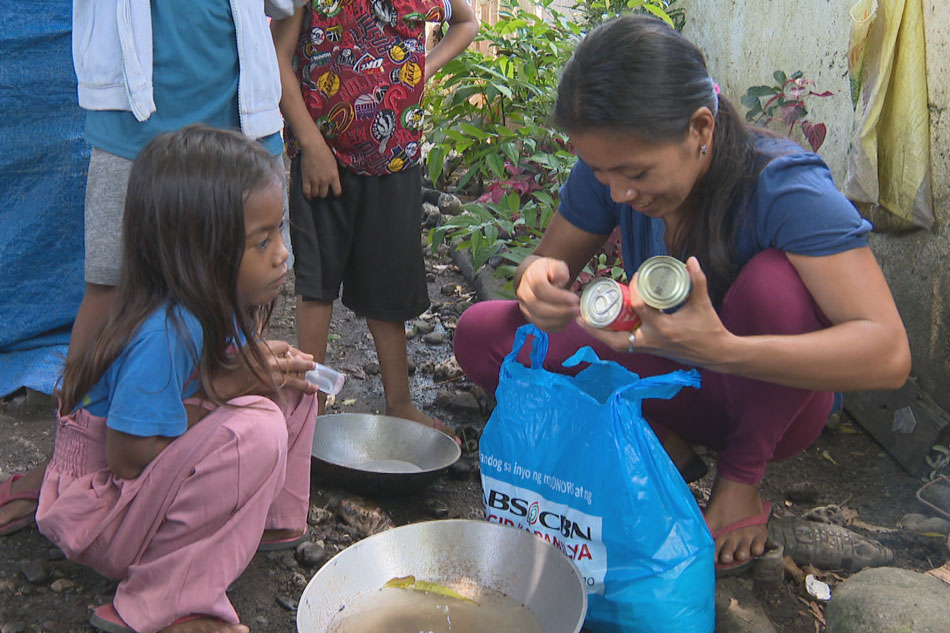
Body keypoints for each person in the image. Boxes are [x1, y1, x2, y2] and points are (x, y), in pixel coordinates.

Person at [454, 15, 911, 575]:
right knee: (484, 334)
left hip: (769, 404)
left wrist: (719, 350)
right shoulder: (613, 172)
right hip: (670, 375)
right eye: (601, 173)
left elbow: (889, 354)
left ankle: (740, 480)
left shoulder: (785, 186)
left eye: (635, 172)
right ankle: (658, 437)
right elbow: (552, 261)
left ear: (700, 129)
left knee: (776, 284)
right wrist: (537, 280)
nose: (620, 192)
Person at [0, 0, 301, 538]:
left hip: (240, 102)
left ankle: (242, 492)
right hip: (135, 111)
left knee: (244, 290)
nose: (284, 247)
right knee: (109, 287)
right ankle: (73, 473)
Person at [35, 125, 319, 633]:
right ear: (202, 251)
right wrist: (229, 388)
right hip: (103, 509)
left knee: (293, 380)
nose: (283, 253)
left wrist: (247, 373)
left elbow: (211, 382)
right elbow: (126, 457)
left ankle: (262, 524)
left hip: (144, 489)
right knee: (256, 428)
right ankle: (162, 601)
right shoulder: (164, 332)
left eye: (280, 231)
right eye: (262, 241)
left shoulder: (219, 304)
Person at [271, 0, 478, 431]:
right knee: (316, 285)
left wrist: (425, 68)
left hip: (394, 157)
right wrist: (310, 145)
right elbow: (278, 59)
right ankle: (314, 413)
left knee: (388, 285)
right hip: (322, 161)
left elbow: (466, 22)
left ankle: (399, 403)